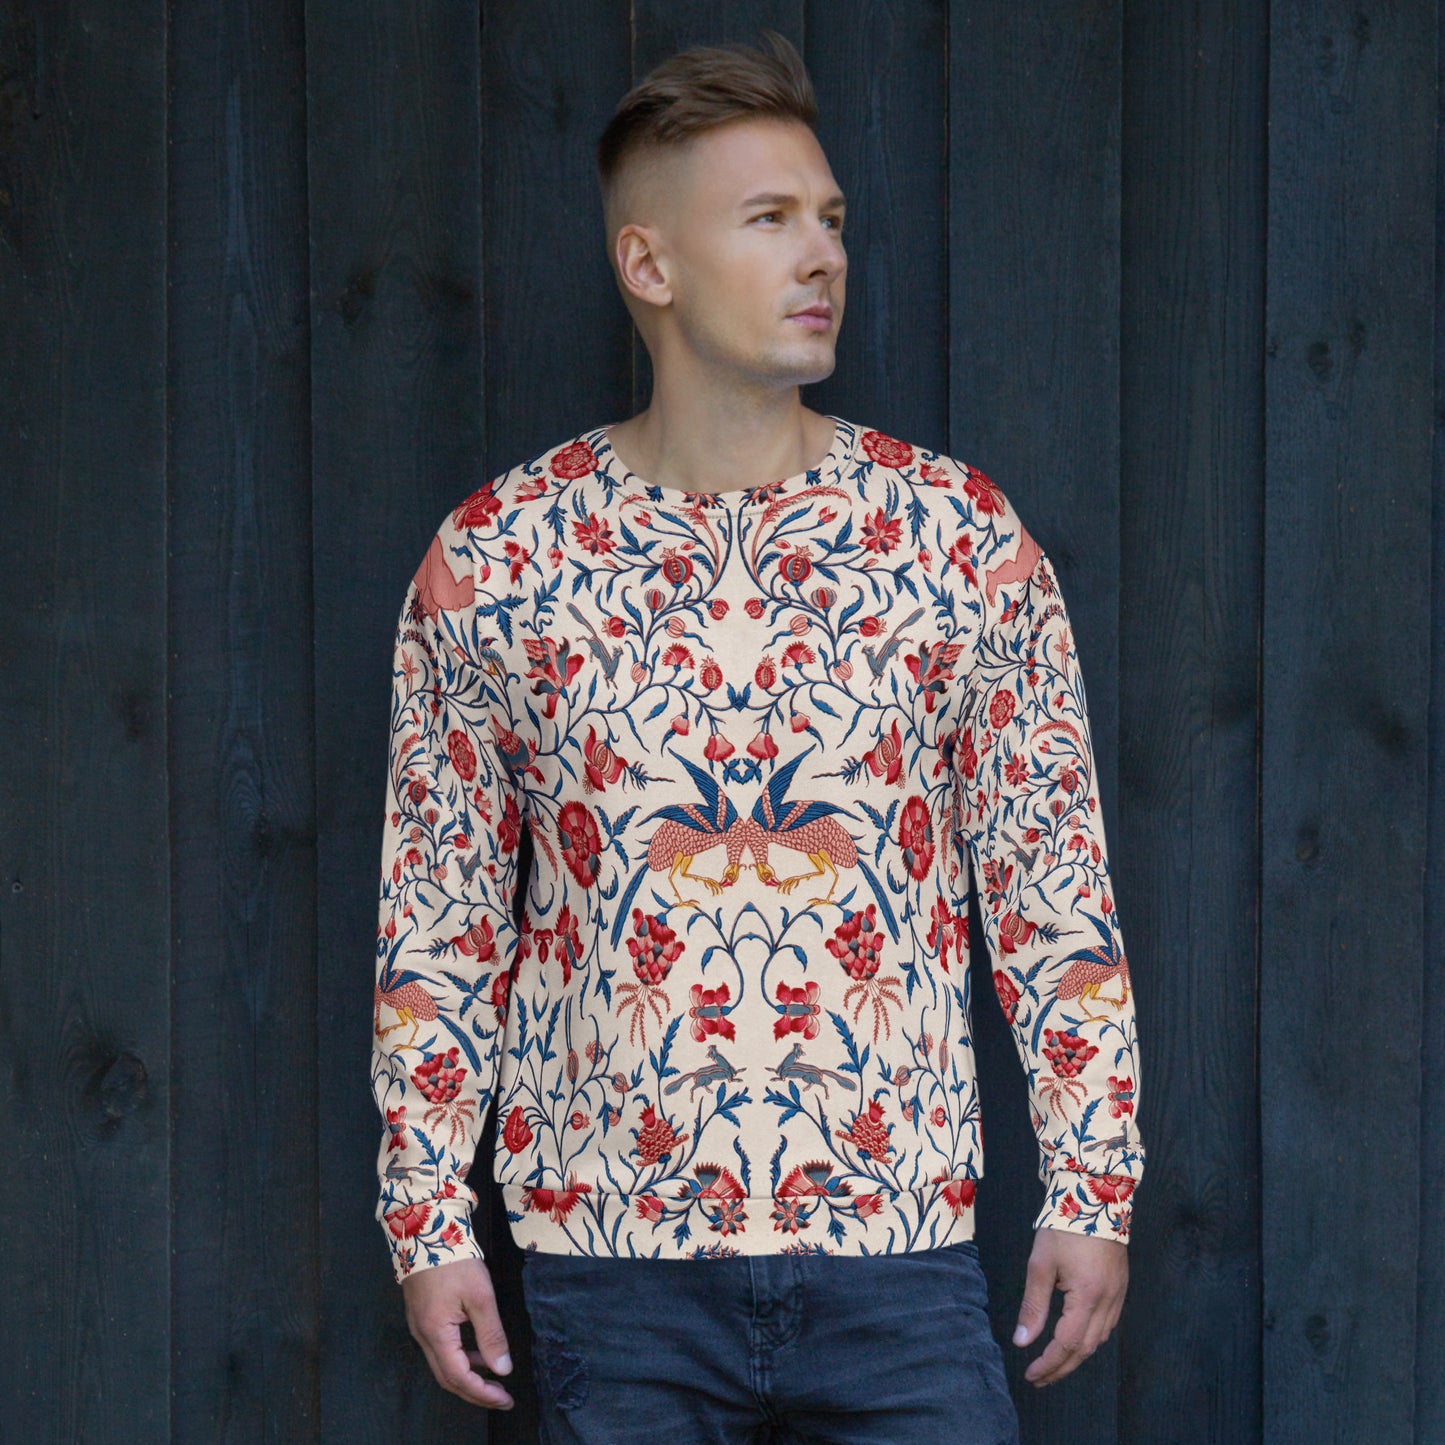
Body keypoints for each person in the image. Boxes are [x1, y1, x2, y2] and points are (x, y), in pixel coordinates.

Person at [372, 30, 1144, 1443]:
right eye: (771, 218)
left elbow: (1051, 889)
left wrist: (1093, 1189)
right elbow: (441, 921)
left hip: (899, 1253)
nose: (822, 255)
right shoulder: (495, 560)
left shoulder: (956, 542)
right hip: (609, 1264)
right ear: (648, 263)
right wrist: (427, 1217)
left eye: (831, 219)